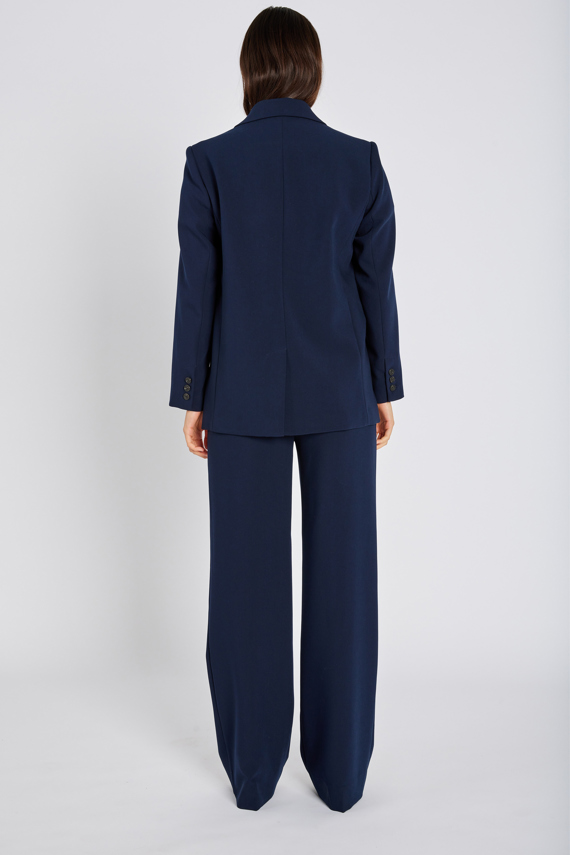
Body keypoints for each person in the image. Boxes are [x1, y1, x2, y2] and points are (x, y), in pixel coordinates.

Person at [169, 6, 404, 813]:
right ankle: (341, 777)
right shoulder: (357, 162)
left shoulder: (209, 163)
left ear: (250, 71)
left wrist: (193, 395)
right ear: (311, 70)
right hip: (341, 393)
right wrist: (382, 385)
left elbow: (198, 290)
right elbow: (375, 283)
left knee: (245, 581)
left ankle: (253, 771)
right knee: (345, 581)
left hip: (236, 393)